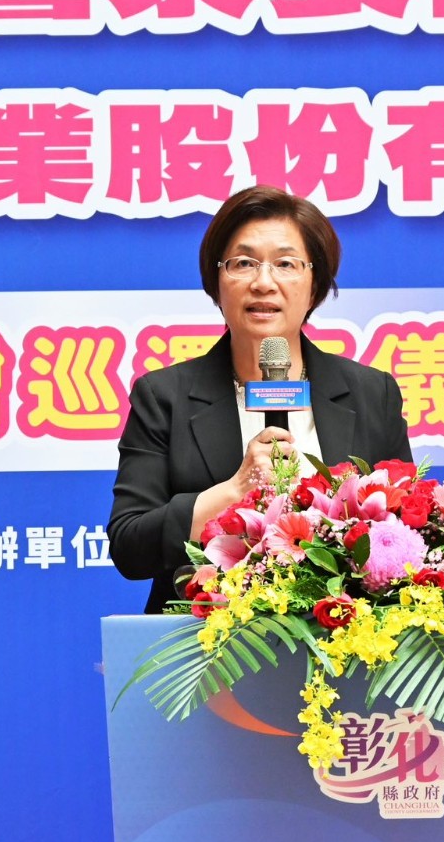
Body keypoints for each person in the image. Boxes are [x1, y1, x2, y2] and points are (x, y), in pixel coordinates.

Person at [108, 185, 413, 612]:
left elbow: (407, 531)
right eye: (243, 263)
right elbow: (130, 546)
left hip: (347, 638)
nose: (263, 282)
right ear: (216, 281)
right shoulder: (164, 397)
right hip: (205, 642)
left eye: (286, 264)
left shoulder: (371, 393)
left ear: (315, 284)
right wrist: (234, 490)